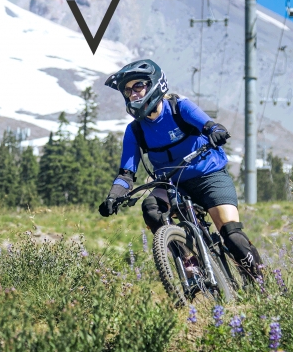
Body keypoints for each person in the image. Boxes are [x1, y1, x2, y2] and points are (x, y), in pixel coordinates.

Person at [99, 59, 262, 281]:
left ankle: (261, 283)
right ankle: (189, 262)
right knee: (151, 209)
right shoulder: (134, 130)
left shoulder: (179, 107)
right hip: (171, 184)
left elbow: (210, 126)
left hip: (209, 176)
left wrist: (216, 131)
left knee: (231, 235)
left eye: (138, 86)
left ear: (155, 84)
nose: (133, 94)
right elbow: (126, 174)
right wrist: (113, 196)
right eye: (128, 90)